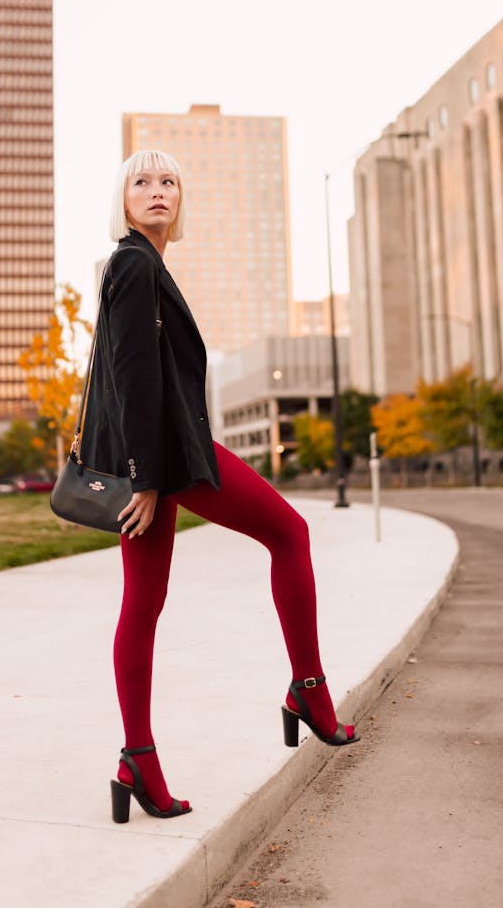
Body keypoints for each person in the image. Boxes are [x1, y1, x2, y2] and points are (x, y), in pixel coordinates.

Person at [80, 149, 358, 825]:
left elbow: (131, 376)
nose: (156, 191)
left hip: (156, 458)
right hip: (169, 459)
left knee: (143, 602)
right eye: (141, 182)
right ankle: (307, 688)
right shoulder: (134, 263)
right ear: (121, 198)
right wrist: (147, 477)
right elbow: (132, 372)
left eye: (169, 181)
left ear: (182, 199)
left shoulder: (141, 264)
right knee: (289, 532)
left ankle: (136, 758)